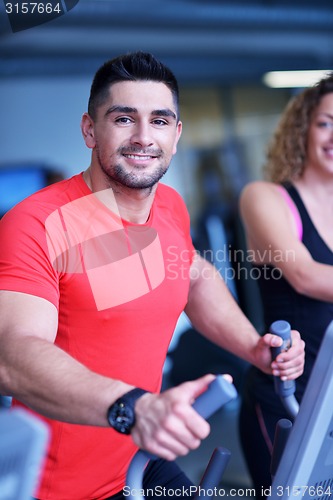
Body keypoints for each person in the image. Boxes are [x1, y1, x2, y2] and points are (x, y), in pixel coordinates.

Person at [0, 51, 304, 500]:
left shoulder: (169, 207)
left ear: (176, 135)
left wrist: (254, 347)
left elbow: (194, 276)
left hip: (142, 459)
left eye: (159, 121)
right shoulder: (38, 223)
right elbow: (13, 354)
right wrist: (132, 407)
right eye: (124, 119)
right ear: (89, 129)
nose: (144, 137)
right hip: (66, 486)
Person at [238, 72, 333, 498]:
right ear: (303, 130)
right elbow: (306, 275)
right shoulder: (264, 197)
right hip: (289, 401)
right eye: (326, 122)